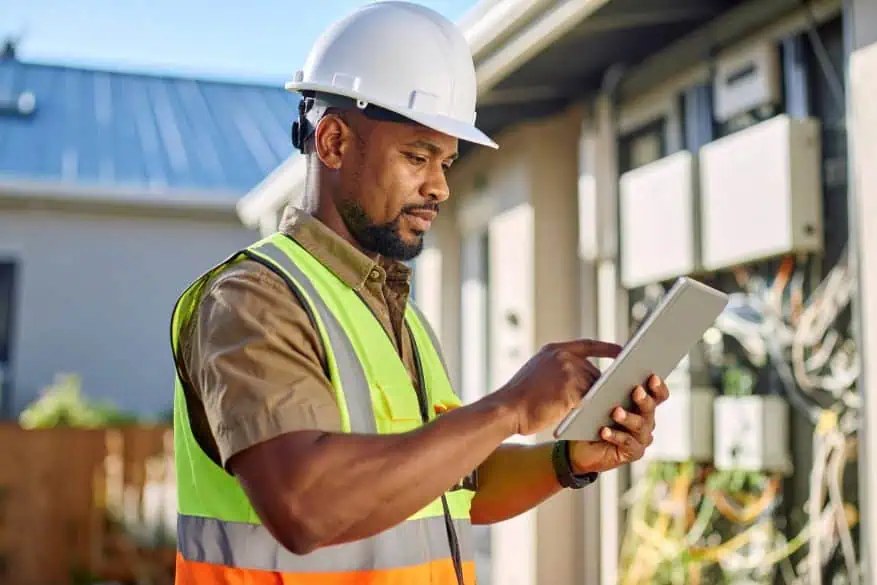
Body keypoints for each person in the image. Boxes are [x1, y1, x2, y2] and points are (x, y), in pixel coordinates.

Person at [168, 2, 670, 584]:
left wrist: (569, 459)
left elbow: (458, 490)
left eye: (447, 162)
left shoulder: (396, 317)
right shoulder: (254, 300)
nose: (440, 187)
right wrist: (508, 408)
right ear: (332, 143)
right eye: (417, 156)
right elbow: (305, 507)